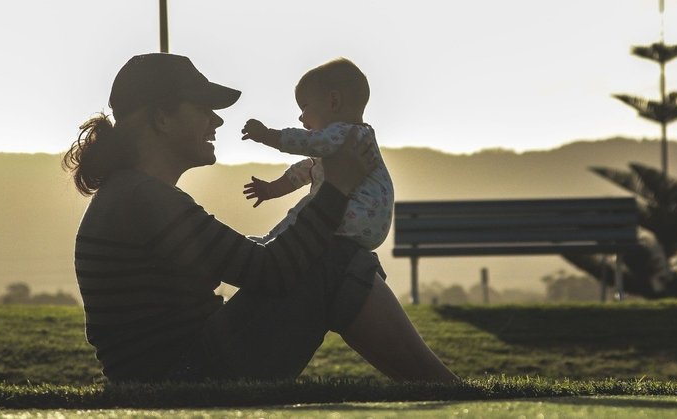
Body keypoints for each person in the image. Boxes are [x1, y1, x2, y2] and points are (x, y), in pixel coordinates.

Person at [62, 52, 458, 383]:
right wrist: (337, 187)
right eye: (204, 109)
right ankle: (448, 391)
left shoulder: (132, 195)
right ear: (162, 118)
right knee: (334, 258)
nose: (216, 121)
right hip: (185, 376)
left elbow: (246, 259)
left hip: (178, 370)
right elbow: (269, 271)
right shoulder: (141, 198)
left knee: (334, 256)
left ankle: (440, 389)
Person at [240, 58, 393, 252]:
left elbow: (307, 142)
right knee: (311, 208)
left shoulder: (346, 133)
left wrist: (267, 135)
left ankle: (272, 243)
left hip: (357, 214)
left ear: (334, 102)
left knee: (308, 210)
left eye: (304, 107)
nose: (301, 117)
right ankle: (271, 241)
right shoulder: (352, 140)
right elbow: (306, 170)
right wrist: (271, 190)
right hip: (368, 224)